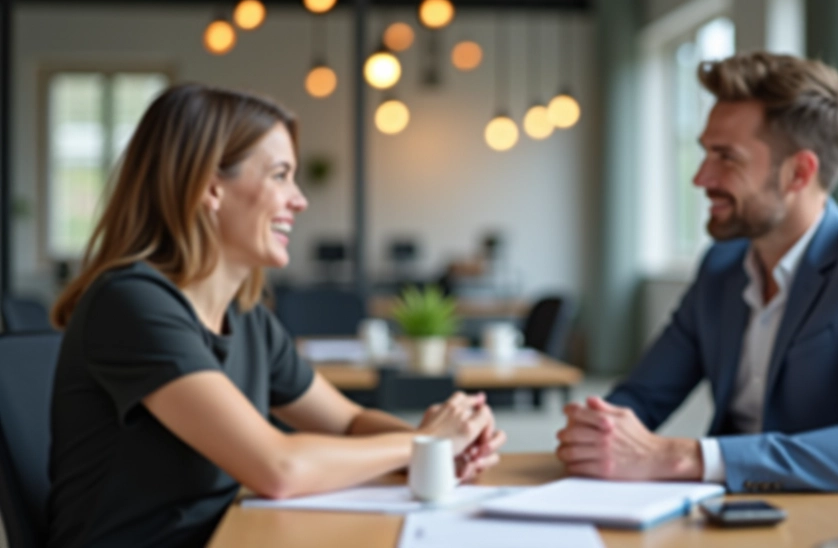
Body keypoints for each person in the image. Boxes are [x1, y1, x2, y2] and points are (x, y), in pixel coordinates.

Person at [46, 83, 506, 548]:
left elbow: (348, 422)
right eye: (280, 175)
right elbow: (277, 468)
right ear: (210, 188)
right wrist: (428, 444)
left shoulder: (247, 318)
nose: (299, 200)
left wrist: (434, 450)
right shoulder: (131, 305)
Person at [555, 52, 838, 523]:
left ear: (798, 172)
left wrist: (682, 457)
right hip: (741, 519)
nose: (701, 178)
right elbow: (643, 395)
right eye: (704, 152)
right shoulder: (721, 268)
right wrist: (599, 427)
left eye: (726, 157)